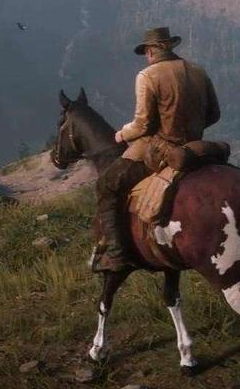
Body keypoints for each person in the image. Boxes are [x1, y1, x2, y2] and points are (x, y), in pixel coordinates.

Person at [92, 27, 220, 272]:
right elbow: (214, 114)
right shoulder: (198, 71)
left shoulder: (147, 76)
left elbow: (142, 124)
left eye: (146, 52)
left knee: (106, 185)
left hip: (159, 150)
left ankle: (116, 255)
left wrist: (122, 134)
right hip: (194, 147)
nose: (146, 56)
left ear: (152, 51)